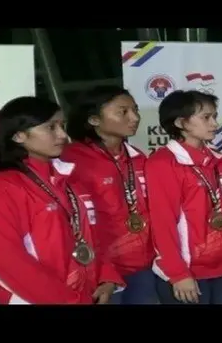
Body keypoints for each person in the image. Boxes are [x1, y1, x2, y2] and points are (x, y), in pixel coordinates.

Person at [0, 96, 124, 304]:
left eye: (62, 125)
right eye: (51, 127)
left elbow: (91, 235)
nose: (62, 135)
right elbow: (5, 260)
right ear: (18, 136)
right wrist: (70, 301)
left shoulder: (69, 178)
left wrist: (106, 276)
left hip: (84, 295)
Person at [145, 90, 222, 304]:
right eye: (206, 117)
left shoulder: (221, 162)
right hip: (189, 272)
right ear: (180, 122)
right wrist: (178, 273)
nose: (214, 123)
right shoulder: (163, 163)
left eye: (214, 116)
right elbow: (162, 222)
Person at [62, 86, 158, 304]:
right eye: (123, 112)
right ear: (94, 119)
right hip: (99, 270)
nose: (135, 117)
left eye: (135, 110)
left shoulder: (137, 157)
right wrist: (100, 270)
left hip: (142, 265)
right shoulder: (70, 160)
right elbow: (73, 224)